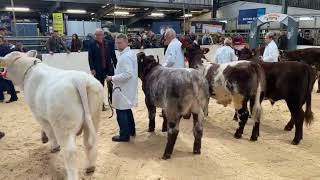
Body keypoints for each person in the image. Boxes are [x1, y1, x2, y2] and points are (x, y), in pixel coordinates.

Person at [106, 34, 138, 142]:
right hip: (126, 88)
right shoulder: (129, 54)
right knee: (127, 110)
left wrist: (112, 78)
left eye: (120, 43)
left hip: (123, 89)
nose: (117, 45)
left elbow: (128, 74)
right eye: (116, 43)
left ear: (126, 42)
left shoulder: (126, 56)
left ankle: (124, 135)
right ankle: (131, 131)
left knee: (121, 111)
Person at [88, 29, 117, 111]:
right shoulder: (92, 44)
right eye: (97, 35)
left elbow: (113, 56)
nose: (99, 36)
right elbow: (90, 57)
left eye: (100, 34)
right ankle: (101, 105)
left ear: (103, 35)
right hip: (98, 69)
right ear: (95, 35)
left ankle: (113, 102)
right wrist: (92, 68)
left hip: (109, 68)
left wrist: (117, 66)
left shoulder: (109, 43)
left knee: (111, 86)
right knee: (99, 87)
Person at [0, 35, 18, 104]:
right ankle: (12, 96)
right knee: (7, 81)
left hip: (4, 67)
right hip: (5, 66)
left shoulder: (5, 47)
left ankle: (11, 97)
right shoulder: (7, 47)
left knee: (6, 82)